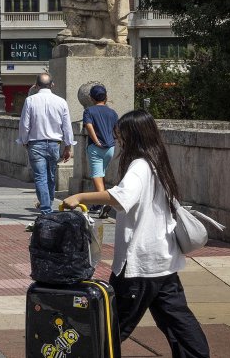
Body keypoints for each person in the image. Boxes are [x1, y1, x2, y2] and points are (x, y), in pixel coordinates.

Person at [64, 111, 209, 357]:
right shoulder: (157, 161)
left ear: (133, 135)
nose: (118, 140)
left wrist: (80, 196)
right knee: (179, 323)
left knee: (110, 327)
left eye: (121, 135)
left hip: (139, 262)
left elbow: (122, 197)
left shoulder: (140, 165)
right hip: (163, 259)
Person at [18, 73, 74, 217]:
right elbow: (67, 126)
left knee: (40, 177)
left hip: (35, 143)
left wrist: (24, 141)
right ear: (52, 85)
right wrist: (68, 146)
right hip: (55, 144)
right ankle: (47, 204)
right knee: (51, 176)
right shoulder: (61, 102)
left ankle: (46, 208)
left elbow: (24, 124)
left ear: (36, 86)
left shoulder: (30, 100)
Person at [83, 84, 118, 220]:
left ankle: (104, 203)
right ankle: (99, 204)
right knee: (101, 173)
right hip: (110, 148)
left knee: (96, 175)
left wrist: (96, 140)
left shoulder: (89, 111)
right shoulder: (112, 112)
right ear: (106, 97)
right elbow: (117, 129)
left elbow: (88, 125)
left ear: (91, 98)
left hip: (96, 148)